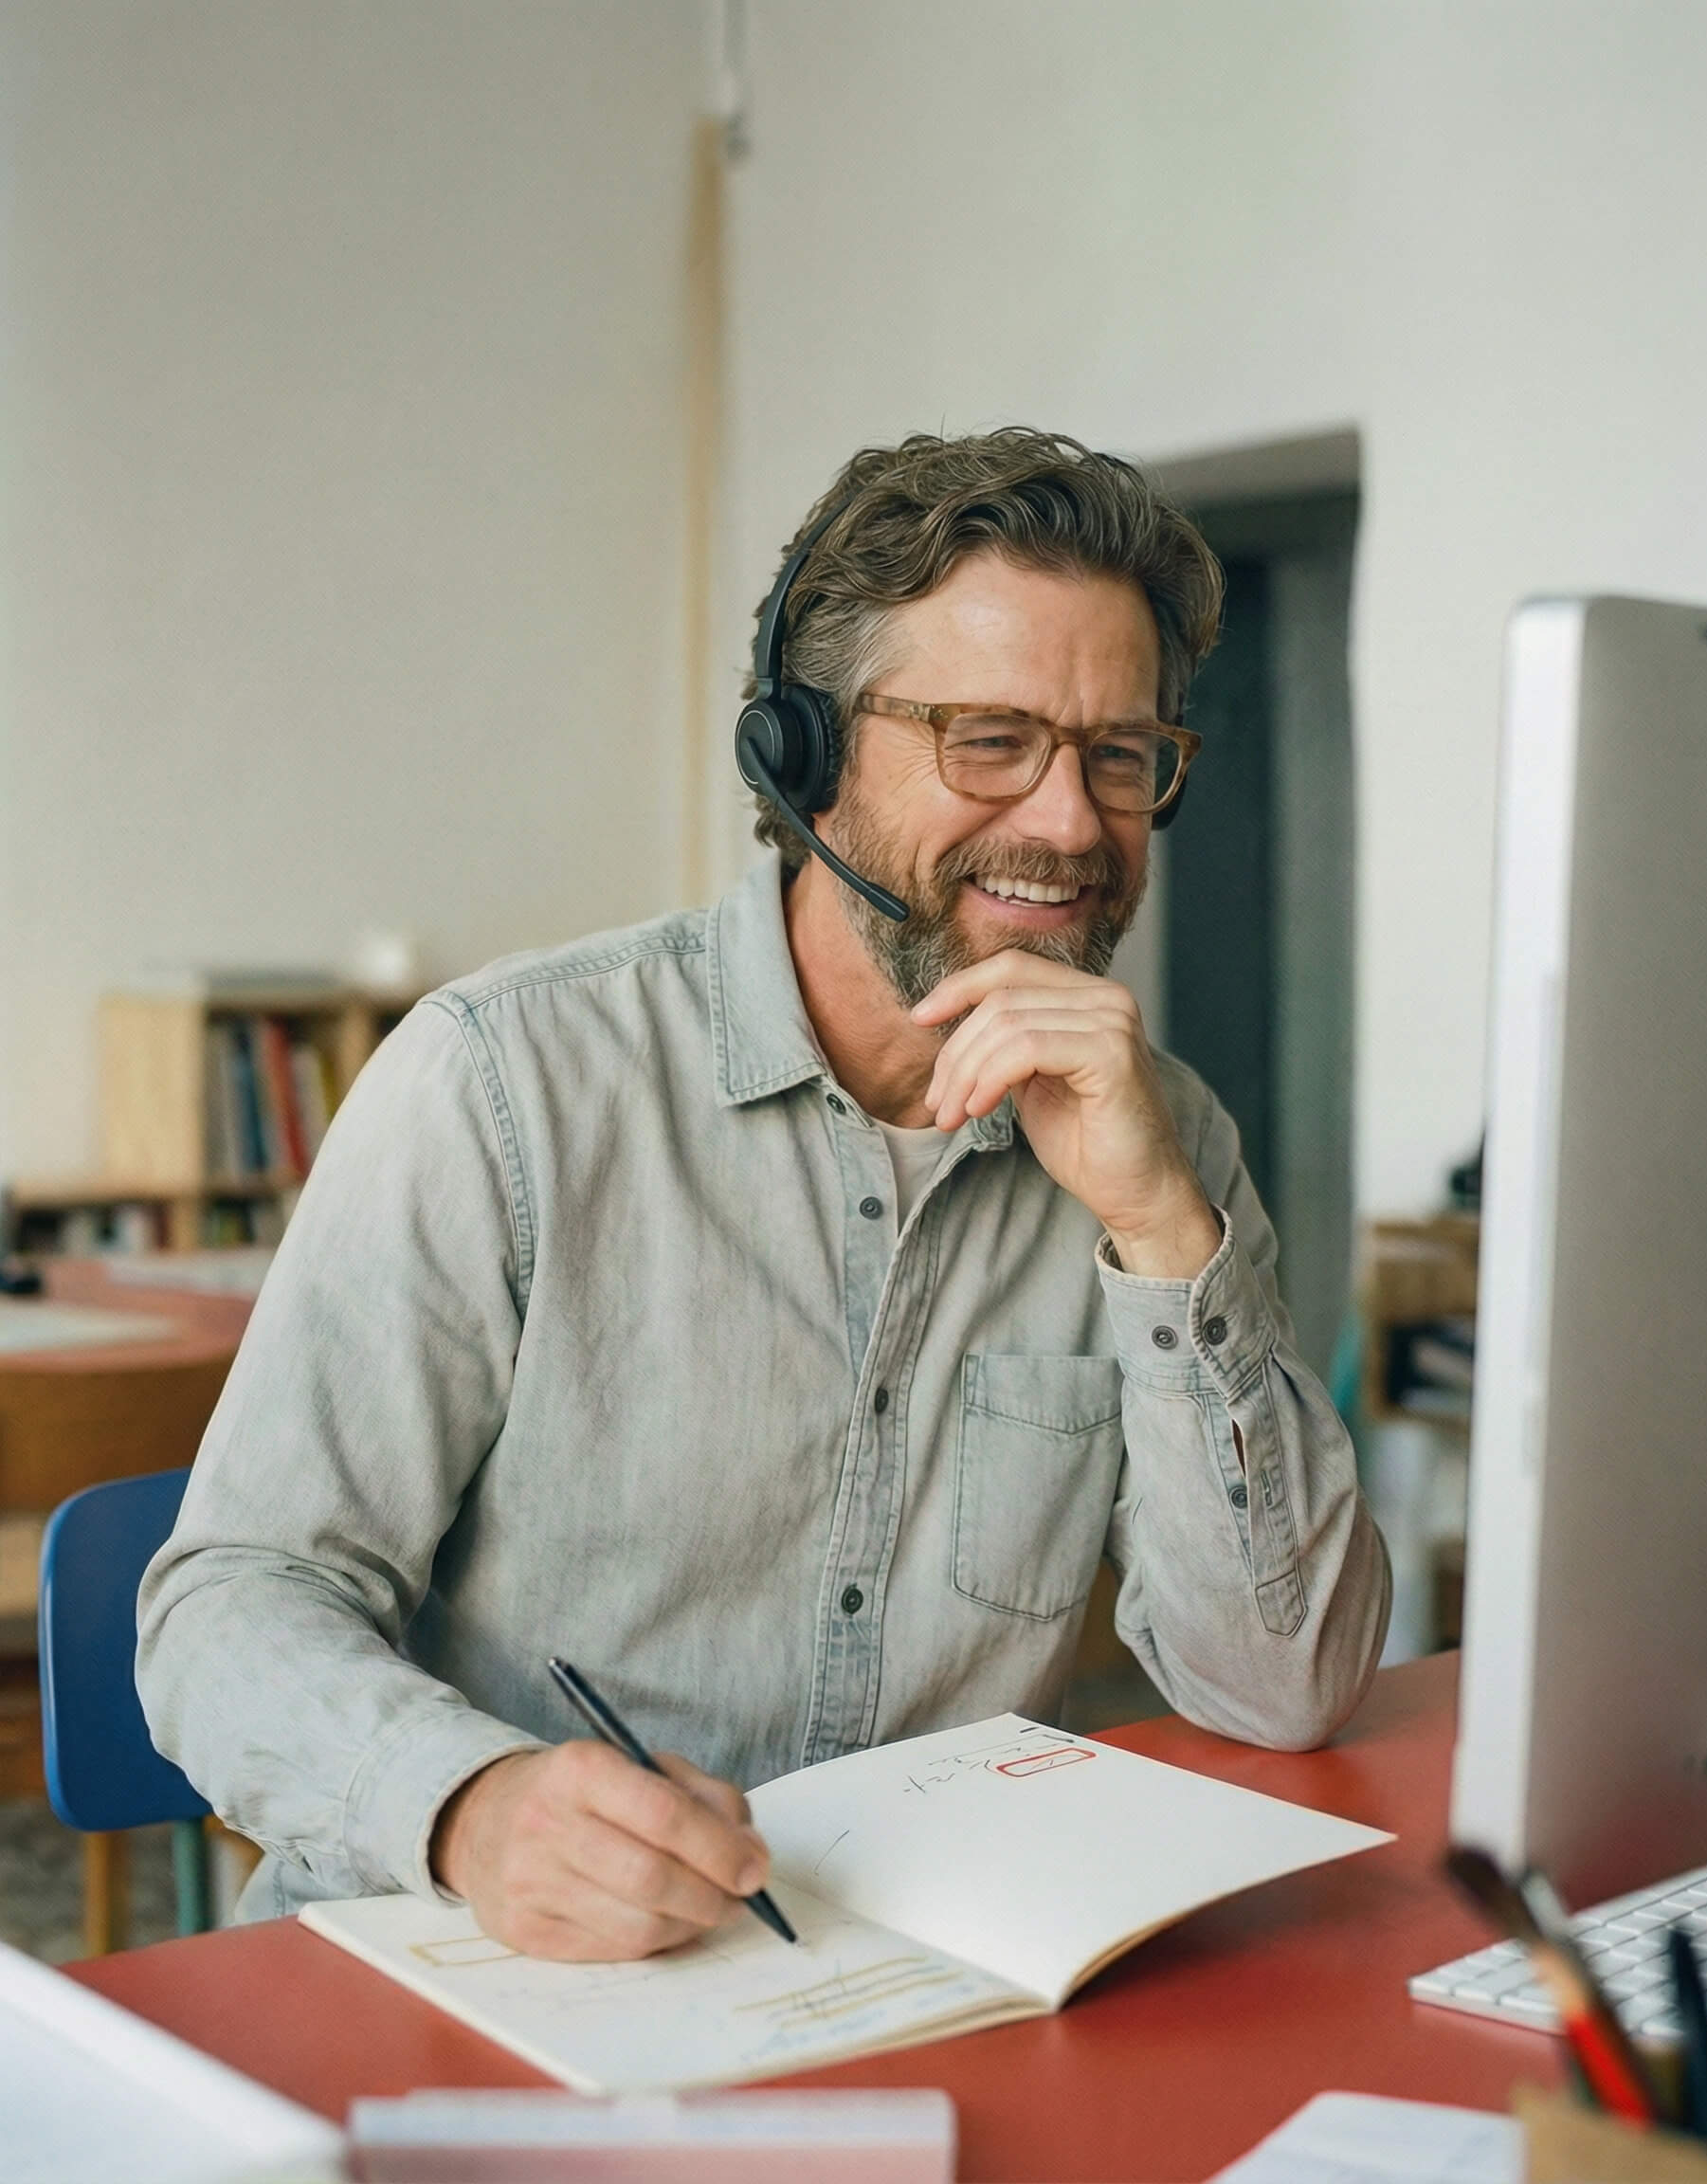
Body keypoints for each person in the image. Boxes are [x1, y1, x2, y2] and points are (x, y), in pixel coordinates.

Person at [138, 428, 1389, 1964]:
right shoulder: (504, 1084)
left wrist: (1159, 1227)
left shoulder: (1162, 1135)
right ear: (800, 756)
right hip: (475, 1969)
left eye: (1118, 755)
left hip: (905, 1987)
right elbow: (229, 1602)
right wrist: (467, 1807)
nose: (1070, 823)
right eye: (989, 739)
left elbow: (1287, 1687)